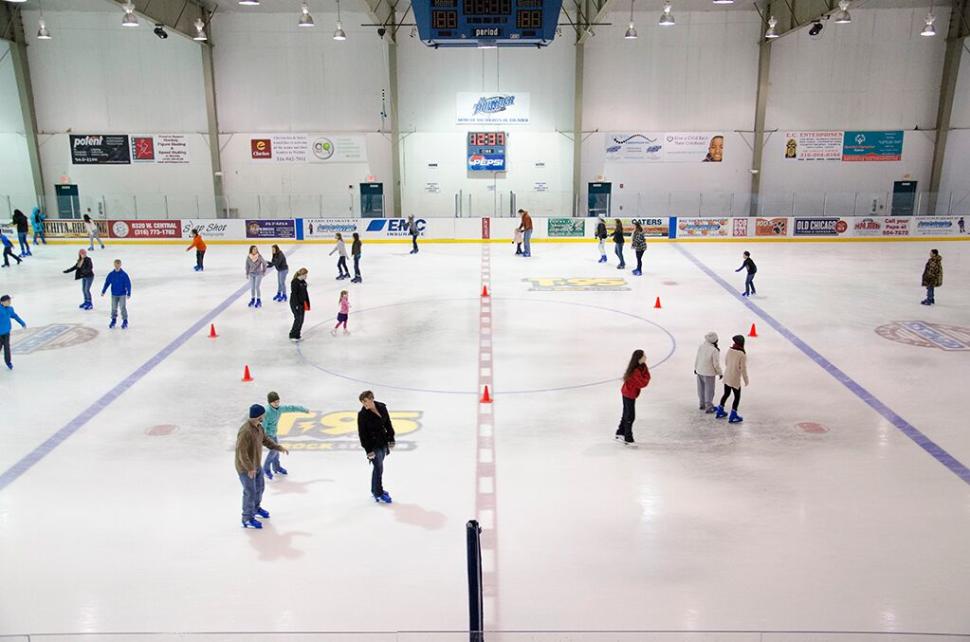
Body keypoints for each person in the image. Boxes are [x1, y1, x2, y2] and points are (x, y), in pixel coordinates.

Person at [235, 404, 289, 529]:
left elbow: (266, 440)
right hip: (245, 468)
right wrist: (249, 468)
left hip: (255, 464)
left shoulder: (259, 428)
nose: (264, 417)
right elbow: (241, 453)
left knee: (260, 487)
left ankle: (255, 508)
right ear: (257, 416)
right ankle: (247, 518)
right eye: (262, 415)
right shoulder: (245, 432)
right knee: (250, 492)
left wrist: (278, 447)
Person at [357, 390, 396, 503]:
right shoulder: (362, 415)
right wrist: (368, 451)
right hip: (373, 445)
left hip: (383, 441)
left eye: (366, 401)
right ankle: (378, 493)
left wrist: (391, 438)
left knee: (378, 468)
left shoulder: (382, 407)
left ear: (372, 399)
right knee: (379, 468)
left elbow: (388, 423)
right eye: (362, 403)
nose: (364, 405)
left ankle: (375, 490)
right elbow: (362, 434)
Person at [262, 392, 308, 480]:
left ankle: (276, 467)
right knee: (274, 451)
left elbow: (291, 408)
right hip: (267, 436)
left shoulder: (279, 409)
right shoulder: (267, 412)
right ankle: (265, 469)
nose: (277, 404)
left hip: (274, 434)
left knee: (276, 452)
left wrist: (303, 409)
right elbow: (263, 426)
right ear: (269, 403)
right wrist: (263, 437)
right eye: (274, 402)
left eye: (278, 401)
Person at [615, 349, 651, 446]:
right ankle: (628, 438)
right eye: (644, 356)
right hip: (628, 394)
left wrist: (645, 372)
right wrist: (645, 376)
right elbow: (643, 383)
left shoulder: (640, 366)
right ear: (639, 358)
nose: (646, 357)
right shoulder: (635, 371)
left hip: (629, 393)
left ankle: (620, 432)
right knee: (630, 416)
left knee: (626, 414)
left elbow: (646, 377)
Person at [714, 335, 749, 423]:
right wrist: (746, 380)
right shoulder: (742, 354)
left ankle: (720, 410)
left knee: (726, 393)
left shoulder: (730, 350)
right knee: (737, 397)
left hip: (727, 376)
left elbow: (726, 362)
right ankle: (733, 415)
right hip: (735, 378)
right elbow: (743, 369)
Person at [694, 332, 722, 413]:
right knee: (709, 390)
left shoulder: (701, 346)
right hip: (709, 373)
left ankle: (702, 404)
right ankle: (709, 407)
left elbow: (697, 358)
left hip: (699, 371)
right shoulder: (714, 350)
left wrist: (695, 368)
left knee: (701, 389)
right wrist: (720, 373)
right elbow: (716, 364)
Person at [100, 259, 132, 329]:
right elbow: (107, 283)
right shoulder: (111, 274)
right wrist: (103, 291)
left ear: (120, 265)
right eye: (116, 265)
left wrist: (129, 292)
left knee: (122, 307)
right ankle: (113, 320)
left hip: (122, 294)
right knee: (113, 308)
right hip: (114, 294)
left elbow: (128, 284)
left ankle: (125, 321)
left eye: (118, 265)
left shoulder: (124, 275)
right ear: (114, 265)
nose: (117, 266)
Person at [1, 294, 27, 371]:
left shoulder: (10, 309)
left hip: (6, 333)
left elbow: (15, 316)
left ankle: (8, 362)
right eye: (8, 300)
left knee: (7, 348)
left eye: (10, 300)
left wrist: (22, 323)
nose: (10, 302)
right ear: (2, 302)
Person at [289, 268, 310, 342]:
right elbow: (294, 294)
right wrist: (296, 305)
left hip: (302, 303)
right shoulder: (295, 282)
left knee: (301, 320)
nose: (306, 276)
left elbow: (305, 293)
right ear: (302, 274)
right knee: (298, 319)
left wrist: (307, 303)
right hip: (295, 304)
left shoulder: (303, 282)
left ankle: (297, 335)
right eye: (305, 275)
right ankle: (292, 335)